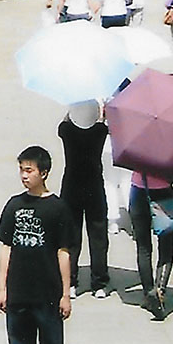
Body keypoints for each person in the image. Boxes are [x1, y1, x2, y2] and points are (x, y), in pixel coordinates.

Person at [0, 145, 72, 344]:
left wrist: (65, 293)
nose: (24, 175)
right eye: (21, 170)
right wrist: (2, 288)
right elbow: (6, 247)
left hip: (47, 295)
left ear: (44, 172)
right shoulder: (14, 205)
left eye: (29, 170)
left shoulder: (58, 208)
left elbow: (64, 252)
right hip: (18, 294)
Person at [57, 101, 110, 298]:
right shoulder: (99, 132)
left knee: (71, 235)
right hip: (95, 186)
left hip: (71, 186)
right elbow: (104, 123)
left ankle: (71, 282)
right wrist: (102, 114)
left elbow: (63, 123)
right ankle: (99, 282)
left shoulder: (66, 131)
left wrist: (69, 110)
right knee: (98, 236)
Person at [129, 170, 173, 321]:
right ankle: (160, 290)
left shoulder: (135, 145)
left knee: (143, 247)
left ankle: (148, 292)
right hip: (163, 189)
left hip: (138, 189)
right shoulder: (166, 145)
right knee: (166, 246)